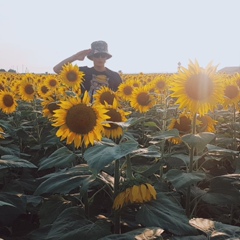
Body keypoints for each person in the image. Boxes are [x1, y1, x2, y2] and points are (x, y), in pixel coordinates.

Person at [53, 40, 122, 96]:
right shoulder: (83, 72)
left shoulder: (115, 76)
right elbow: (57, 69)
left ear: (106, 57)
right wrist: (75, 57)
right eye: (97, 56)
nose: (100, 58)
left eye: (103, 56)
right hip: (85, 112)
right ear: (92, 57)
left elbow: (120, 98)